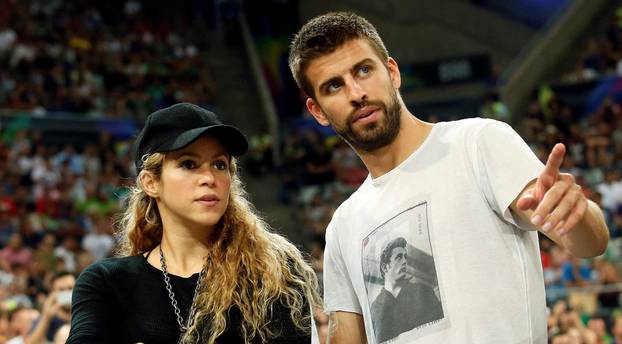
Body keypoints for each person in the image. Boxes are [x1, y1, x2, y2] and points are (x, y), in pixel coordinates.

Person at [288, 12, 609, 343]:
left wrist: (577, 214)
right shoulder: (343, 227)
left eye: (364, 70)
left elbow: (591, 242)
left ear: (392, 72)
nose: (356, 93)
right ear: (317, 111)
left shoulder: (478, 143)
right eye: (334, 86)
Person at [66, 103, 321, 344]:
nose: (209, 177)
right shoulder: (106, 283)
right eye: (188, 164)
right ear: (151, 183)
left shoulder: (274, 273)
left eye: (220, 164)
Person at [370, 237, 442, 343]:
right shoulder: (375, 309)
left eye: (405, 257)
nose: (404, 261)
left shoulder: (424, 292)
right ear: (385, 268)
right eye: (399, 257)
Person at [25, 271, 75, 344]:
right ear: (53, 293)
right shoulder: (48, 318)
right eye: (61, 290)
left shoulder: (88, 310)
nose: (67, 292)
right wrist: (46, 317)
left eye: (70, 288)